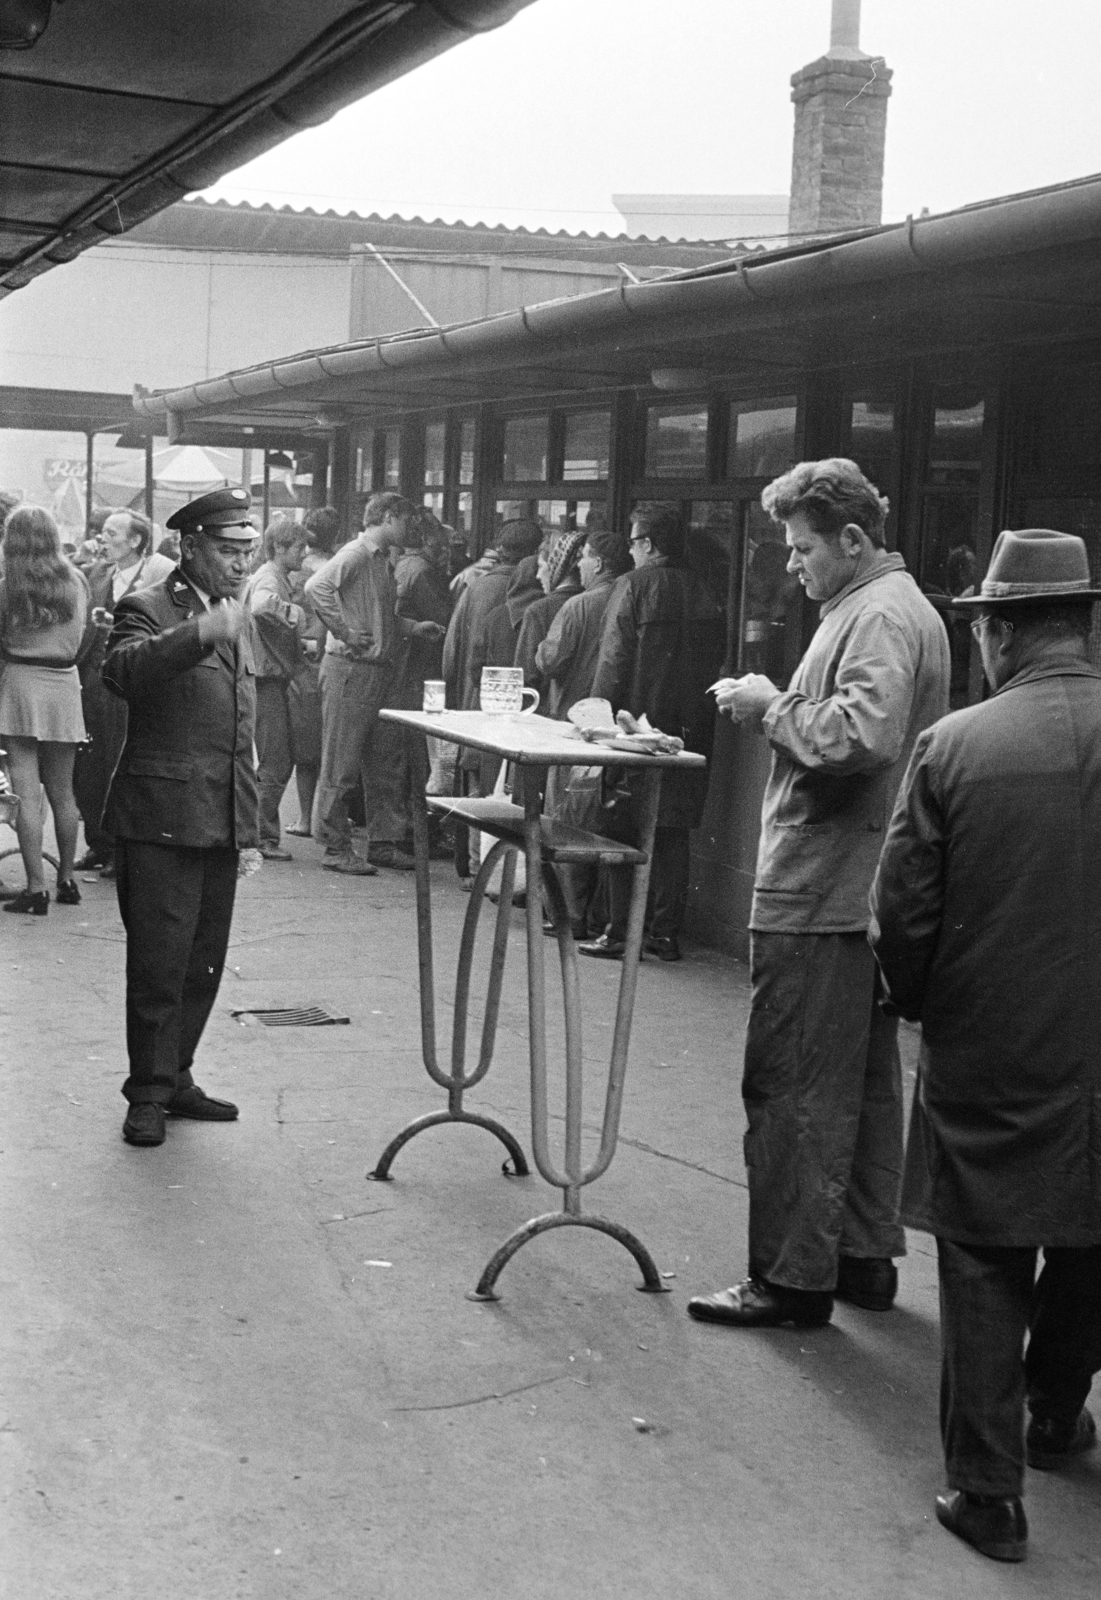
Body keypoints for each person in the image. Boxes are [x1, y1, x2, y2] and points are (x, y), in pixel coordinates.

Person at [869, 527, 1101, 1564]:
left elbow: (903, 913)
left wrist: (922, 1004)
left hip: (995, 1039)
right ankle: (1057, 1412)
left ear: (1001, 632)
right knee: (1094, 1233)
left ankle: (988, 1489)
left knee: (983, 1251)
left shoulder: (958, 745)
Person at [687, 458, 950, 1330]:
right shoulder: (893, 606)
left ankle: (789, 1277)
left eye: (801, 548)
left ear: (850, 538)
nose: (791, 564)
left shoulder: (872, 613)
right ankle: (861, 1258)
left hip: (821, 885)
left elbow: (859, 736)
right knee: (862, 1083)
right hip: (864, 887)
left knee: (791, 1083)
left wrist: (769, 706)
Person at [101, 487, 260, 1148]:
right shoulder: (149, 607)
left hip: (217, 816)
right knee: (159, 965)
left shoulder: (233, 610)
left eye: (246, 552)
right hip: (160, 816)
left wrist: (247, 829)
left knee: (202, 963)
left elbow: (240, 726)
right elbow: (123, 672)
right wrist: (196, 634)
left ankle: (178, 1074)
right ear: (188, 546)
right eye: (227, 550)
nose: (239, 564)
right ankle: (147, 1092)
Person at [580, 502, 724, 964]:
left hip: (634, 725)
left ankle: (620, 931)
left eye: (634, 541)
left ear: (648, 544)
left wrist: (596, 717)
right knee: (674, 829)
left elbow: (614, 658)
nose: (630, 549)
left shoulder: (633, 586)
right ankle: (665, 934)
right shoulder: (706, 588)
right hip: (692, 726)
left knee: (621, 825)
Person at [305, 492, 444, 876]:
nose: (412, 527)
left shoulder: (383, 560)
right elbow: (316, 587)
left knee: (385, 761)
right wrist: (344, 632)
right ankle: (335, 847)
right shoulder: (358, 553)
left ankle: (383, 843)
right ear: (386, 517)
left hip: (376, 670)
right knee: (342, 762)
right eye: (406, 519)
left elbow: (379, 616)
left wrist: (414, 627)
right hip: (352, 669)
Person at [535, 529, 632, 937]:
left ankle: (568, 915)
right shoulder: (626, 599)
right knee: (605, 826)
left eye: (586, 558)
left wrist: (539, 648)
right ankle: (598, 917)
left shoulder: (578, 606)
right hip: (620, 729)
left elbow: (550, 659)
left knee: (568, 821)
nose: (579, 564)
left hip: (574, 728)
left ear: (601, 564)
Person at [0, 505, 90, 914]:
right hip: (65, 685)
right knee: (63, 792)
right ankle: (67, 879)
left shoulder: (8, 587)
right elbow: (84, 639)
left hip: (21, 684)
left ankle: (36, 888)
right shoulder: (78, 581)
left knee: (25, 794)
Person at [74, 510, 174, 874]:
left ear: (135, 541)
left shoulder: (155, 584)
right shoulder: (94, 575)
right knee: (87, 766)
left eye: (111, 533)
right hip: (91, 683)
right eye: (102, 532)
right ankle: (97, 843)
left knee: (121, 765)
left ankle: (122, 848)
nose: (103, 538)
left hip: (129, 687)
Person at [244, 516, 309, 861]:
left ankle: (257, 832)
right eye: (299, 547)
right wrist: (296, 614)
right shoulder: (269, 578)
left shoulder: (276, 576)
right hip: (266, 681)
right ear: (279, 548)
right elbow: (261, 606)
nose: (305, 552)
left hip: (270, 679)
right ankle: (259, 837)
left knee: (275, 760)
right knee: (275, 762)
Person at [285, 507, 340, 837]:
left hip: (305, 664)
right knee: (331, 745)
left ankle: (307, 818)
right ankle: (329, 816)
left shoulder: (297, 571)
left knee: (306, 749)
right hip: (331, 659)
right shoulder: (338, 566)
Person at [515, 530, 585, 698]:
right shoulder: (590, 602)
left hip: (545, 711)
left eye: (541, 566)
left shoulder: (539, 610)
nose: (538, 576)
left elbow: (525, 676)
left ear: (556, 565)